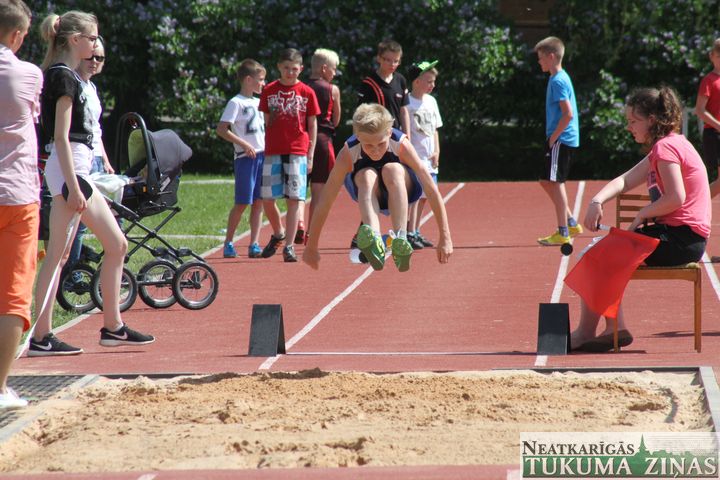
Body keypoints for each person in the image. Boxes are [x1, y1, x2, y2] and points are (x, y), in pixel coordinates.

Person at [30, 10, 155, 357]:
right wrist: (73, 186)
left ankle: (104, 327)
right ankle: (53, 335)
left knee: (75, 252)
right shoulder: (63, 77)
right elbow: (60, 137)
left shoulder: (67, 76)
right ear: (75, 40)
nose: (96, 44)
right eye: (92, 37)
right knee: (101, 247)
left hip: (73, 171)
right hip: (71, 171)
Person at [573, 86, 711, 352]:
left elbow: (676, 197)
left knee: (596, 254)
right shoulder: (669, 145)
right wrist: (596, 201)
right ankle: (610, 329)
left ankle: (592, 332)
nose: (629, 127)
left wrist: (642, 214)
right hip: (678, 237)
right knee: (597, 253)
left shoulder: (666, 147)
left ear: (652, 120)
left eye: (633, 121)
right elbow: (625, 180)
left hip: (681, 240)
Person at [302, 103, 452, 272]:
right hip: (369, 190)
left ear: (389, 132)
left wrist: (445, 237)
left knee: (391, 169)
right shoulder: (348, 153)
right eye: (368, 145)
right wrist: (312, 246)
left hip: (403, 186)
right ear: (358, 136)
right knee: (367, 175)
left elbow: (430, 188)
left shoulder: (401, 144)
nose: (375, 151)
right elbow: (325, 201)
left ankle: (400, 238)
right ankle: (375, 239)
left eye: (381, 144)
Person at [0, 0, 41, 409]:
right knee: (13, 293)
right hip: (16, 193)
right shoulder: (28, 73)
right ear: (16, 35)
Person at [258, 47, 320, 262]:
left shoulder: (307, 92)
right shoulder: (269, 90)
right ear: (279, 67)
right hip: (273, 150)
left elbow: (312, 124)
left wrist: (310, 154)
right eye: (286, 68)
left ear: (301, 69)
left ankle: (290, 246)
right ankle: (279, 233)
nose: (290, 72)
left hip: (298, 150)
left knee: (294, 199)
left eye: (294, 69)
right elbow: (267, 120)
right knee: (268, 198)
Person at [65, 36, 111, 277]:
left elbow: (95, 129)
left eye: (99, 58)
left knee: (111, 216)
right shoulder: (73, 84)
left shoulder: (91, 87)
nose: (95, 61)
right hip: (81, 159)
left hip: (95, 158)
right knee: (79, 223)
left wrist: (105, 160)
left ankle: (109, 269)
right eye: (91, 56)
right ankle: (72, 274)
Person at [217, 58, 269, 259]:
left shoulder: (259, 102)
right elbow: (222, 129)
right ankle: (228, 242)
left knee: (259, 202)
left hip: (263, 156)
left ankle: (254, 243)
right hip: (245, 158)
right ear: (248, 80)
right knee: (242, 202)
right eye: (260, 79)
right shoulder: (235, 102)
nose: (263, 83)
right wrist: (244, 145)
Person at [534, 36, 582, 246]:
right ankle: (570, 222)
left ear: (551, 56)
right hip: (561, 138)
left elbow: (568, 114)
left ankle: (563, 231)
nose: (539, 62)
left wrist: (553, 137)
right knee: (545, 180)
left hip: (561, 138)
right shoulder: (558, 78)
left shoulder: (558, 80)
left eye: (541, 58)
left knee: (555, 182)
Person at [301, 48, 341, 245]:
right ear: (325, 68)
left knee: (298, 191)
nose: (334, 73)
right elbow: (336, 119)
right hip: (323, 143)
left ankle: (299, 223)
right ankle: (311, 232)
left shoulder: (300, 87)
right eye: (334, 69)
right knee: (318, 192)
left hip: (301, 142)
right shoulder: (332, 89)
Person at [406, 60, 442, 250]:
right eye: (429, 81)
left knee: (426, 195)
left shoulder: (431, 101)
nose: (432, 85)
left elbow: (435, 129)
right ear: (417, 82)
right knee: (415, 194)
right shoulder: (407, 101)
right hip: (415, 156)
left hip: (429, 157)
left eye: (433, 81)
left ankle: (416, 229)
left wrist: (437, 151)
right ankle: (409, 231)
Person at [695, 37, 720, 199]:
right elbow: (700, 110)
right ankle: (696, 204)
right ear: (712, 56)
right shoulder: (709, 80)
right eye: (719, 56)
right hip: (714, 134)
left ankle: (696, 204)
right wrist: (718, 125)